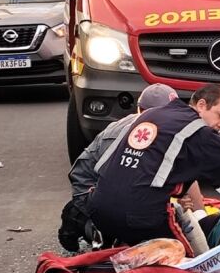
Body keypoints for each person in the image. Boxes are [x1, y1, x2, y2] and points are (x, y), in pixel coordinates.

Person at [88, 83, 220, 246]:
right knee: (190, 257)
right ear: (201, 105)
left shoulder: (153, 114)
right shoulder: (199, 132)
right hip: (140, 219)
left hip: (98, 209)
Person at [58, 83, 179, 251]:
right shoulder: (124, 137)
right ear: (143, 113)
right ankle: (78, 220)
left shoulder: (169, 129)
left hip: (123, 189)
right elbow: (119, 187)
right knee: (122, 237)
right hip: (93, 189)